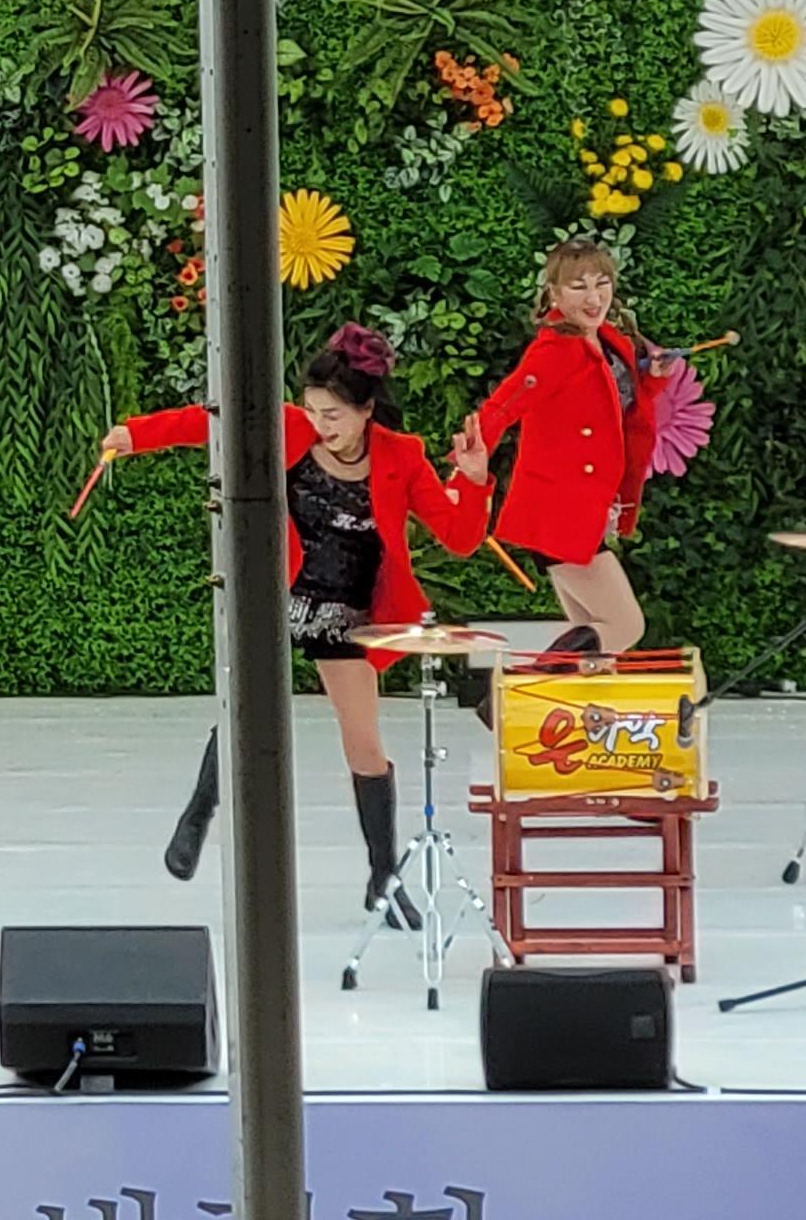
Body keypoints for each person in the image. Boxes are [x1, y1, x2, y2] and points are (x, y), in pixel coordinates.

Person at [99, 323, 492, 917]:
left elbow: (459, 538)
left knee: (364, 742)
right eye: (312, 410)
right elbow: (209, 422)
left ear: (366, 410)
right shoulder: (289, 428)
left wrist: (475, 479)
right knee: (246, 706)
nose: (320, 424)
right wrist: (136, 434)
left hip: (350, 611)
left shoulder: (402, 456)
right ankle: (199, 812)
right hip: (279, 594)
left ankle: (383, 878)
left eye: (333, 414)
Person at [449, 235, 676, 659]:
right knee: (625, 626)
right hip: (560, 511)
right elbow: (506, 403)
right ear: (554, 294)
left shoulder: (609, 340)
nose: (594, 297)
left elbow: (617, 409)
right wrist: (472, 454)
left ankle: (550, 694)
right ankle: (525, 684)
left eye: (601, 283)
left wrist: (652, 379)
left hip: (583, 507)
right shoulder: (555, 350)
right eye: (578, 286)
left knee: (594, 641)